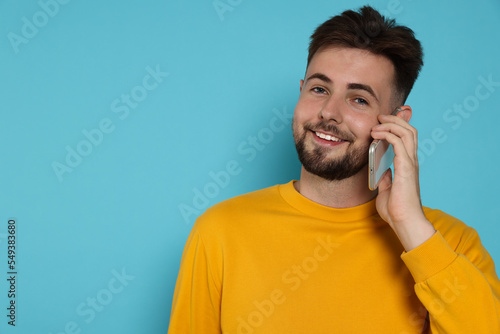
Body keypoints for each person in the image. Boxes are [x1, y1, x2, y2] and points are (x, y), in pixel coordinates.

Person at [167, 6, 500, 334]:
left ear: (397, 122)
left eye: (359, 99)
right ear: (301, 92)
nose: (329, 112)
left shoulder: (451, 244)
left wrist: (410, 225)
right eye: (319, 89)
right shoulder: (220, 232)